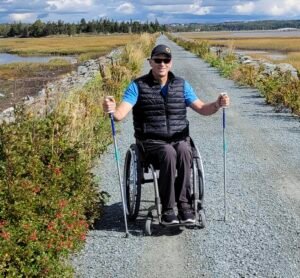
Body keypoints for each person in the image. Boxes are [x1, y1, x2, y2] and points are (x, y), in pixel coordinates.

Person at [103, 44, 230, 225]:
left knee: (185, 151)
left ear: (171, 63)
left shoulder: (182, 85)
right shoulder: (137, 86)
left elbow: (202, 108)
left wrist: (217, 104)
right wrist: (112, 110)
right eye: (158, 60)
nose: (162, 64)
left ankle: (185, 205)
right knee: (168, 153)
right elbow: (120, 114)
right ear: (150, 62)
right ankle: (168, 208)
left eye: (166, 60)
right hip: (151, 142)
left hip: (179, 138)